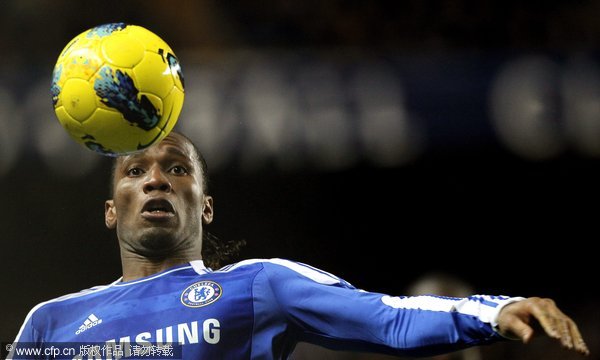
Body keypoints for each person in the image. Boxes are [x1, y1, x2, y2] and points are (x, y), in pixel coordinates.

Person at [10, 131, 589, 359]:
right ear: (112, 212)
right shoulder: (51, 324)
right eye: (135, 171)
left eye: (178, 169)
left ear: (205, 208)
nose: (156, 179)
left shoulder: (261, 284)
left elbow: (387, 317)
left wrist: (494, 310)